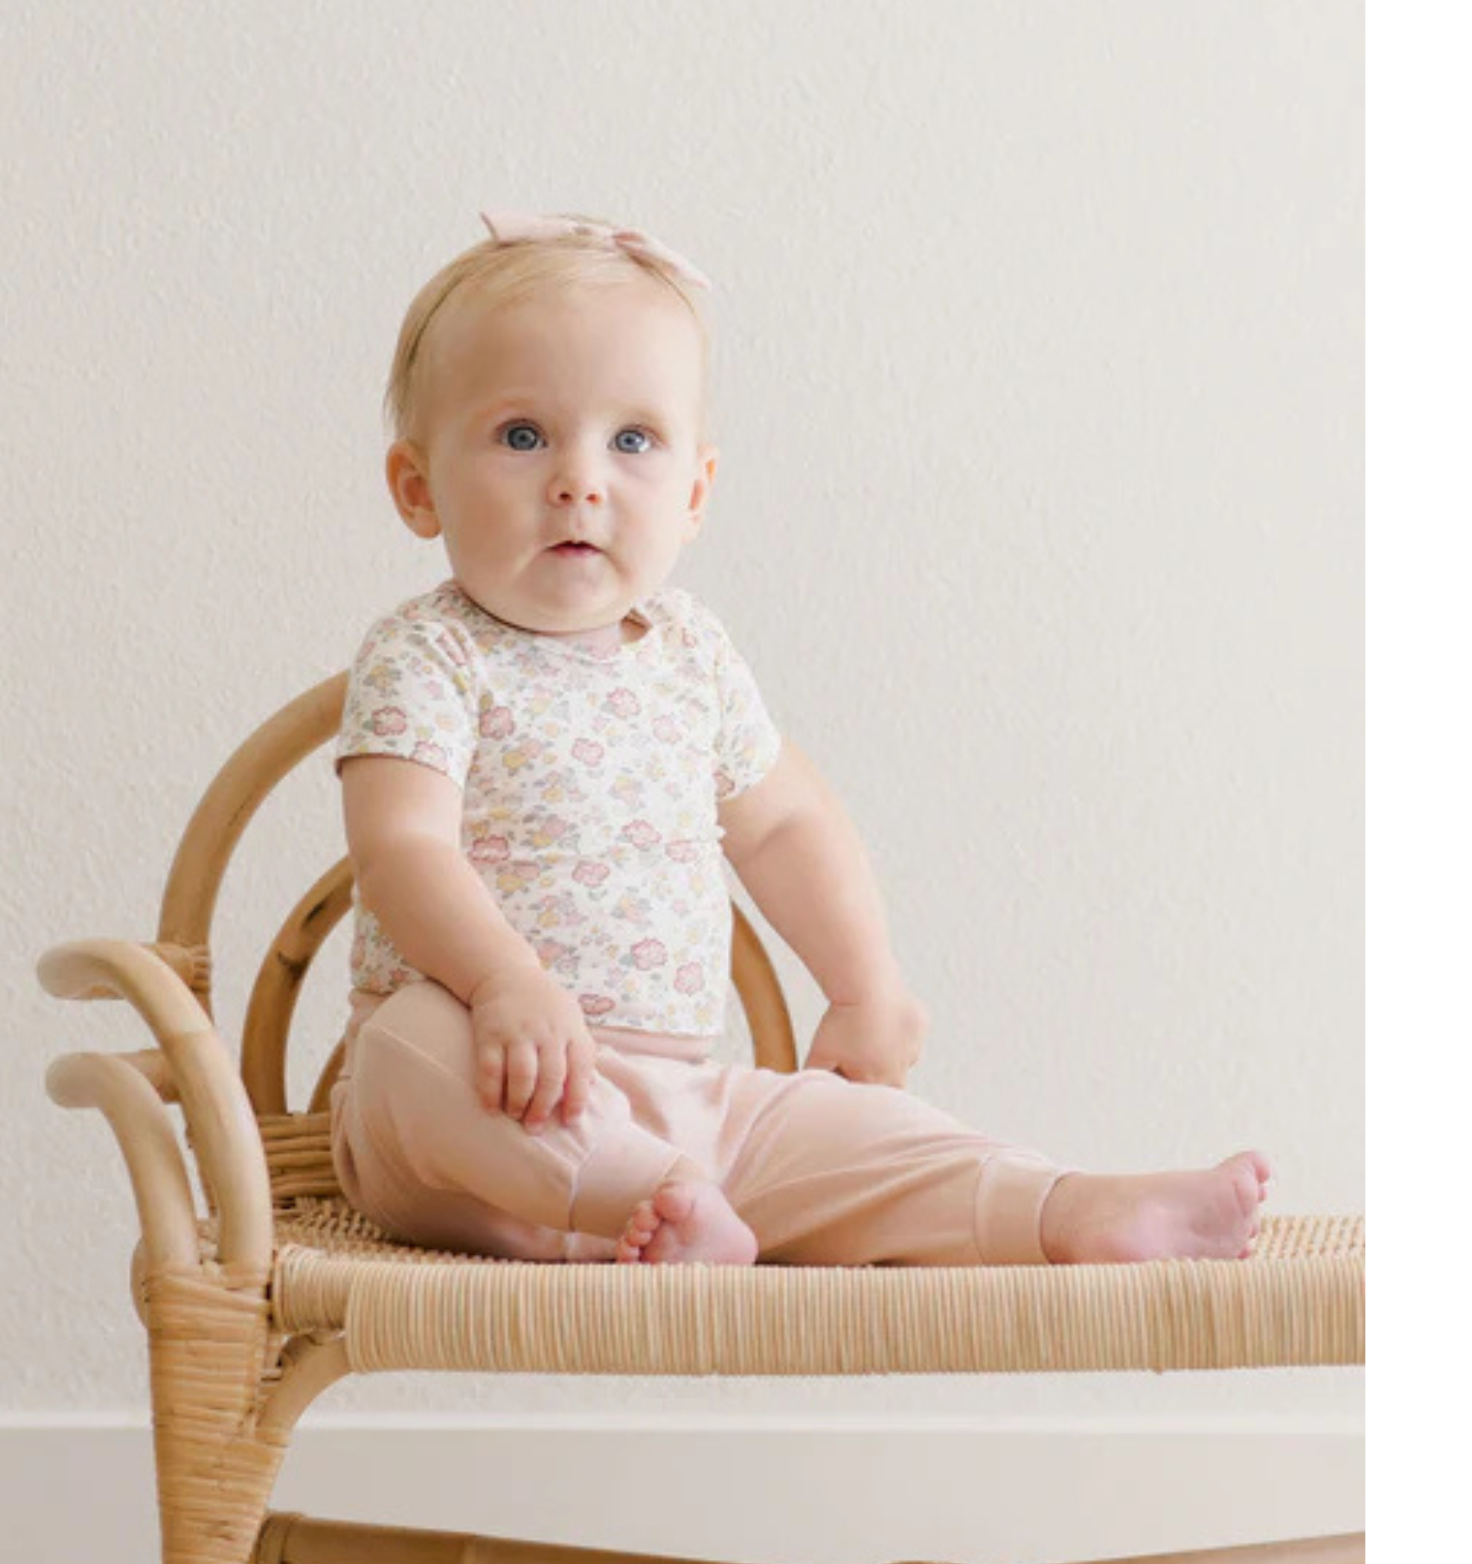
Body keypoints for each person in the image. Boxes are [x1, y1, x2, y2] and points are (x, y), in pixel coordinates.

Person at [326, 209, 1269, 1268]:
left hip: (683, 1099)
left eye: (631, 440)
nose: (578, 479)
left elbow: (781, 826)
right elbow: (401, 846)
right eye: (521, 436)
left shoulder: (690, 655)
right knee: (409, 1045)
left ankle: (1067, 1209)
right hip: (479, 1102)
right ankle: (659, 1198)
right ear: (417, 488)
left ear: (694, 493)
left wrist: (864, 986)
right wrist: (503, 981)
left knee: (850, 1129)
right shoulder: (427, 653)